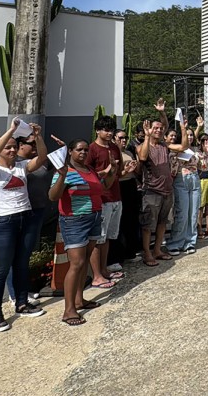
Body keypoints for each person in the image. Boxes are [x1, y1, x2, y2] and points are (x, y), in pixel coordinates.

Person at [0, 118, 48, 332]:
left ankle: (22, 303)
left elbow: (42, 157)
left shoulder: (21, 167)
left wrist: (38, 137)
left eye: (14, 147)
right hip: (2, 223)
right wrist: (11, 131)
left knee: (22, 264)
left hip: (24, 218)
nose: (12, 150)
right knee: (0, 269)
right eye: (7, 147)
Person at [49, 138, 118, 326]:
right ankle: (68, 310)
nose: (83, 153)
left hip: (94, 217)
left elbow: (103, 187)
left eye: (86, 150)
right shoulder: (66, 172)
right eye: (79, 150)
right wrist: (62, 176)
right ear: (70, 151)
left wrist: (113, 170)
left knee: (85, 260)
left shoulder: (90, 171)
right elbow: (53, 196)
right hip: (74, 221)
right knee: (77, 263)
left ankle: (79, 300)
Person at [137, 98, 190, 266]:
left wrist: (182, 126)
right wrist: (146, 137)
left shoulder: (164, 146)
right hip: (152, 191)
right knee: (147, 226)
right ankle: (147, 253)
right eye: (156, 128)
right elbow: (143, 157)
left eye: (161, 128)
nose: (159, 130)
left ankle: (157, 249)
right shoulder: (143, 145)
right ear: (149, 130)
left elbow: (182, 147)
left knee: (162, 223)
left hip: (167, 191)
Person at [6, 131, 54, 307]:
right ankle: (14, 294)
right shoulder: (15, 163)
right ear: (20, 146)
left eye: (35, 144)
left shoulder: (38, 161)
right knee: (14, 255)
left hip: (38, 210)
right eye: (31, 144)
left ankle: (23, 290)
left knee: (25, 254)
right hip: (21, 212)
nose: (34, 147)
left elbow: (50, 163)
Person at [86, 116, 124, 288]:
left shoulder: (115, 148)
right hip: (101, 199)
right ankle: (96, 275)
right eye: (105, 130)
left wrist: (121, 170)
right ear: (97, 131)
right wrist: (105, 172)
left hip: (116, 196)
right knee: (97, 238)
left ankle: (104, 269)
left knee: (107, 236)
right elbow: (86, 175)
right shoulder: (91, 150)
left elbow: (119, 171)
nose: (109, 133)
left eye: (111, 130)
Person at [167, 119, 204, 253]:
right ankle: (175, 243)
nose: (189, 137)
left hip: (194, 180)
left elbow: (203, 166)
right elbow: (172, 169)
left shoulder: (195, 150)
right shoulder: (175, 150)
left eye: (191, 135)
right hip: (181, 180)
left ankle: (190, 242)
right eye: (186, 135)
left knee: (193, 213)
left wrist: (203, 158)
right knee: (182, 213)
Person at [113, 129, 142, 262]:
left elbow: (137, 171)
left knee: (131, 219)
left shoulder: (129, 152)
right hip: (119, 185)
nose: (123, 140)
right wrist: (125, 171)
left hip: (131, 184)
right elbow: (113, 175)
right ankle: (120, 253)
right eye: (120, 138)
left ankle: (132, 250)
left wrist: (135, 166)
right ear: (114, 139)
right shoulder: (112, 153)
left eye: (125, 138)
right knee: (120, 221)